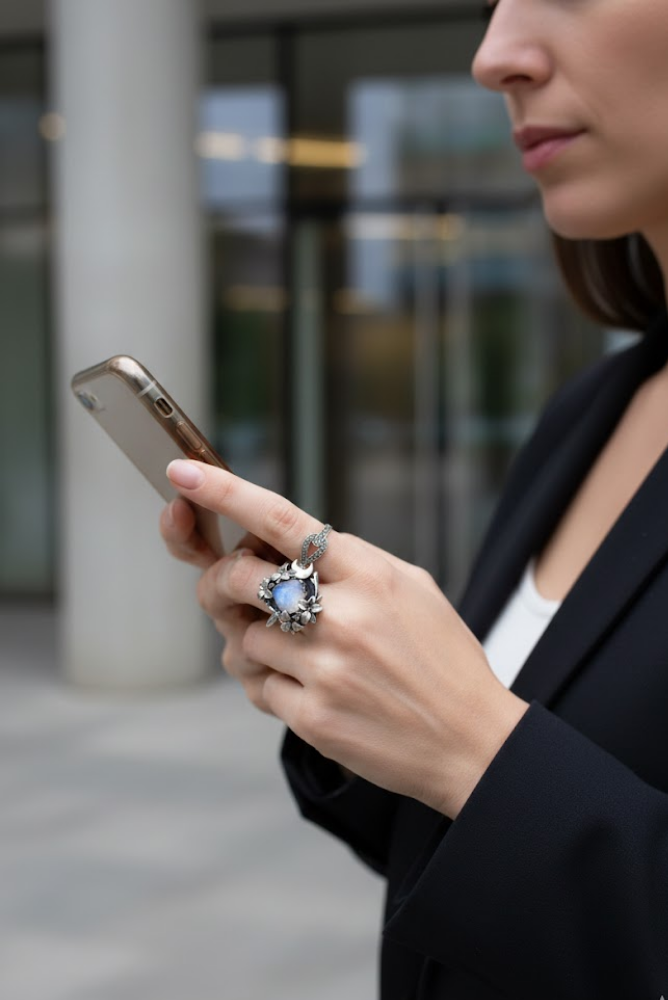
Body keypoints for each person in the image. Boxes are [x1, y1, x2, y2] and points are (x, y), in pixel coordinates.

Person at [160, 0, 668, 995]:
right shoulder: (593, 411)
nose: (492, 57)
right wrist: (343, 682)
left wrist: (475, 750)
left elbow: (492, 777)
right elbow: (451, 850)